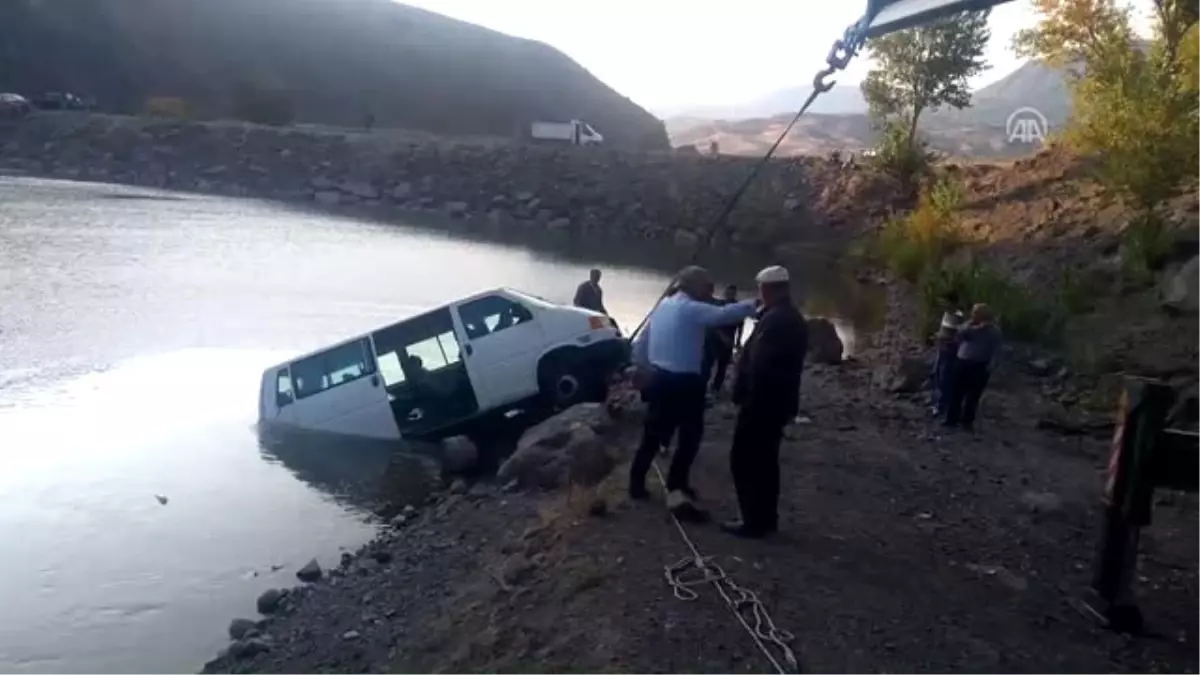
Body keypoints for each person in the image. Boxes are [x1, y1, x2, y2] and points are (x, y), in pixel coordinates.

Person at [629, 266, 758, 521]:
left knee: (653, 434)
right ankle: (676, 483)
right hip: (685, 383)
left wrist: (640, 366)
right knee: (690, 436)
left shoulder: (664, 306)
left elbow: (643, 342)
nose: (710, 291)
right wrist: (754, 304)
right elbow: (723, 314)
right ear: (694, 286)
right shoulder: (691, 309)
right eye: (706, 286)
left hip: (659, 378)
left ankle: (636, 483)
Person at [723, 265, 807, 539]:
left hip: (762, 405)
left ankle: (752, 520)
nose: (759, 292)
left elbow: (761, 367)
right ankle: (765, 517)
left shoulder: (776, 321)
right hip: (776, 403)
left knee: (746, 460)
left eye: (761, 288)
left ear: (769, 289)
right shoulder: (789, 317)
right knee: (766, 461)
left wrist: (745, 395)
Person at [944, 303, 1003, 431]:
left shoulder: (994, 331)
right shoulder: (968, 326)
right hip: (963, 362)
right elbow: (959, 335)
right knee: (956, 392)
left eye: (977, 313)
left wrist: (992, 365)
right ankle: (951, 419)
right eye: (974, 312)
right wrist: (974, 328)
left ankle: (967, 422)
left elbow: (997, 350)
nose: (974, 315)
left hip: (980, 365)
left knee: (973, 395)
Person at [701, 284, 744, 395]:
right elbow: (711, 324)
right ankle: (702, 387)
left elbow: (740, 327)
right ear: (725, 293)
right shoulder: (718, 305)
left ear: (735, 294)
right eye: (728, 293)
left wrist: (738, 342)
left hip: (728, 342)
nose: (729, 295)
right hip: (714, 341)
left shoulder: (738, 308)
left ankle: (716, 389)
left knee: (722, 367)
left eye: (732, 293)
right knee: (707, 364)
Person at [931, 308, 964, 417]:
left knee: (945, 379)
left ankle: (942, 405)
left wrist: (945, 340)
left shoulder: (958, 317)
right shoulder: (947, 315)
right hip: (942, 351)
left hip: (949, 353)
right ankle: (937, 403)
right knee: (937, 376)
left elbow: (956, 338)